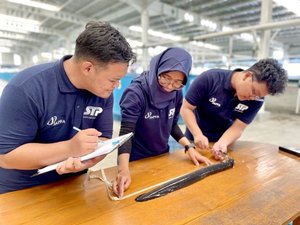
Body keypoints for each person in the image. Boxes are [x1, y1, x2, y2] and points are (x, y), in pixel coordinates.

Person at [0, 21, 136, 194]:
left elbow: (103, 141)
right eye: (112, 80)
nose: (117, 86)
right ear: (88, 68)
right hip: (22, 191)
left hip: (73, 186)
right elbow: (5, 156)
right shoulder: (27, 89)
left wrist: (88, 160)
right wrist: (69, 149)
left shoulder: (103, 93)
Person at [112, 47, 212, 198]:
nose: (170, 86)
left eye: (178, 82)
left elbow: (172, 125)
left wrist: (189, 147)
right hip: (135, 160)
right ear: (158, 68)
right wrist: (123, 170)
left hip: (162, 156)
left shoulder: (176, 93)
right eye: (165, 78)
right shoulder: (136, 93)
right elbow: (125, 134)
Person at [180, 58, 288, 160]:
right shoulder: (209, 79)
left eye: (259, 96)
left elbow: (238, 127)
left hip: (225, 140)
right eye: (254, 92)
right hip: (195, 138)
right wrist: (197, 134)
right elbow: (186, 108)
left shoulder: (257, 100)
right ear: (246, 76)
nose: (253, 98)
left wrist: (223, 143)